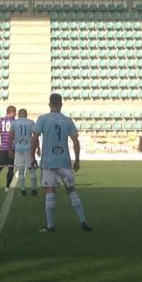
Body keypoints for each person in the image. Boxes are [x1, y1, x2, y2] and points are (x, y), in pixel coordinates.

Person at [30, 93, 91, 232]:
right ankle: (83, 220)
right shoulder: (67, 120)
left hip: (48, 162)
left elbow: (35, 138)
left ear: (49, 104)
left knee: (50, 190)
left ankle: (50, 225)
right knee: (71, 190)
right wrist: (77, 159)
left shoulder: (43, 119)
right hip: (64, 161)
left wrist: (32, 157)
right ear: (61, 104)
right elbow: (75, 141)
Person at [9, 108, 38, 197]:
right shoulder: (31, 122)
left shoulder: (14, 123)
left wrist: (10, 149)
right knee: (31, 169)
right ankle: (34, 190)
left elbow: (10, 136)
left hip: (18, 148)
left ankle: (23, 191)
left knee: (21, 170)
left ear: (18, 114)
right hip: (29, 147)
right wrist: (38, 147)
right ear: (26, 114)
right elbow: (35, 136)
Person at [0, 105, 16, 191]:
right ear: (12, 112)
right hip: (12, 148)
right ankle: (7, 187)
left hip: (3, 148)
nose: (15, 114)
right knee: (11, 168)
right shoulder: (15, 122)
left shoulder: (0, 122)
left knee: (0, 166)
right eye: (15, 113)